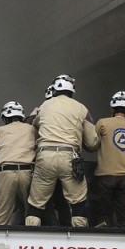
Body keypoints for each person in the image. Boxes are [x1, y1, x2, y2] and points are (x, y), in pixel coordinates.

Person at [26, 74, 99, 227]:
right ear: (72, 89)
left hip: (45, 156)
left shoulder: (44, 106)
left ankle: (31, 237)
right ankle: (79, 242)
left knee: (36, 203)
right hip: (70, 158)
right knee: (78, 202)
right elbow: (92, 143)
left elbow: (33, 126)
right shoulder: (81, 108)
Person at [94, 91, 125, 227]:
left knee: (103, 216)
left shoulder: (102, 123)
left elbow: (93, 144)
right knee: (124, 217)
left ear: (112, 108)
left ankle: (105, 245)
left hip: (104, 176)